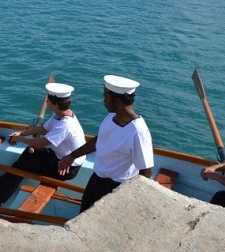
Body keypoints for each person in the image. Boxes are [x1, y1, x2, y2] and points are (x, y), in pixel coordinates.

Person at [0, 83, 87, 207]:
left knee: (21, 166)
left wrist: (20, 138)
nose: (46, 100)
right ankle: (6, 180)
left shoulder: (65, 125)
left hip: (65, 167)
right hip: (59, 157)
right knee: (28, 152)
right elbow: (42, 129)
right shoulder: (60, 115)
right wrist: (22, 132)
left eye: (48, 99)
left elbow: (39, 144)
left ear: (56, 104)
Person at [59, 75, 154, 213]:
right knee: (83, 217)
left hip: (116, 188)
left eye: (106, 96)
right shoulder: (111, 116)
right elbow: (100, 139)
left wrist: (131, 198)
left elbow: (146, 170)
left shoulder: (137, 132)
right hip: (96, 180)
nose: (103, 100)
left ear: (117, 100)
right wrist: (72, 156)